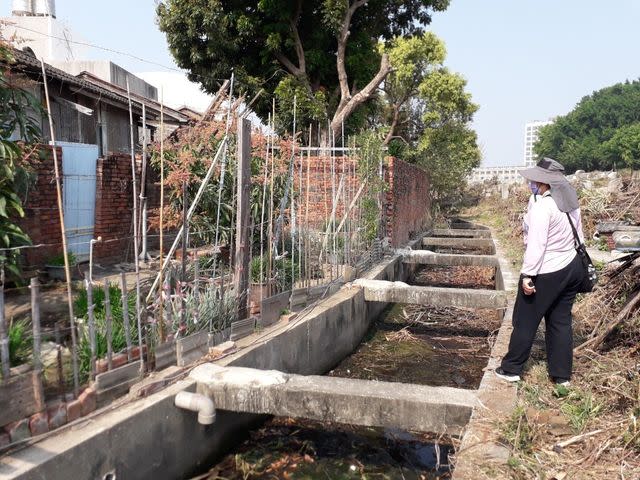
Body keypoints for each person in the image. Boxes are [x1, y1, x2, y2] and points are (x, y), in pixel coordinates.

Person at [495, 158, 586, 387]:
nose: (531, 182)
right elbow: (580, 237)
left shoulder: (543, 207)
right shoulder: (570, 203)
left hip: (548, 269)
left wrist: (527, 275)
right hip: (572, 266)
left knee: (525, 319)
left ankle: (511, 368)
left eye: (534, 179)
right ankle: (561, 376)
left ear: (543, 182)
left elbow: (538, 246)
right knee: (560, 321)